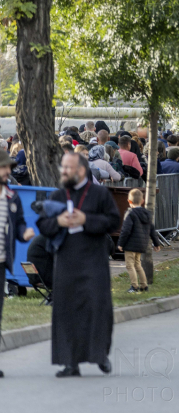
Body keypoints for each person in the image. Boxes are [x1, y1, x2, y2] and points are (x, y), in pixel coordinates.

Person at [37, 153, 120, 377]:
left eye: (67, 168)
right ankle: (70, 363)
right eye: (62, 167)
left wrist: (86, 220)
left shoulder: (100, 194)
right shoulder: (57, 195)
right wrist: (58, 222)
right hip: (65, 261)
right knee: (66, 311)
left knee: (97, 309)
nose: (62, 171)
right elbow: (43, 225)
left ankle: (99, 354)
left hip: (94, 260)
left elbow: (113, 222)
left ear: (80, 171)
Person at [0, 149, 35, 378]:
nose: (7, 172)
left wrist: (24, 233)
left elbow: (20, 222)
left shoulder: (11, 196)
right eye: (3, 168)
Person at [116, 189, 162, 294]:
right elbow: (152, 229)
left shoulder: (130, 213)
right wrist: (156, 243)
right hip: (142, 244)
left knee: (130, 265)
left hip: (130, 245)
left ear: (129, 201)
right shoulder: (147, 214)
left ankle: (134, 286)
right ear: (142, 201)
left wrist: (120, 243)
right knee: (138, 264)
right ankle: (144, 285)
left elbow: (125, 230)